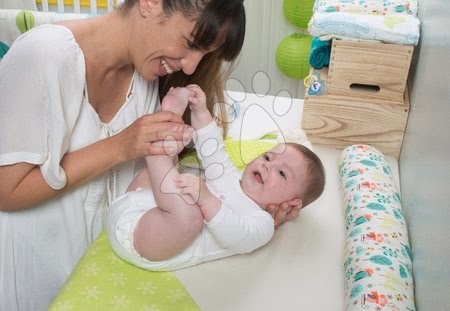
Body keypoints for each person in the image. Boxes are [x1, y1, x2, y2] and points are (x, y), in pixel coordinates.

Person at [0, 1, 299, 309]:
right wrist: (120, 146)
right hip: (36, 268)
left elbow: (162, 189)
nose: (192, 66)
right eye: (191, 44)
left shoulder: (147, 78)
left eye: (204, 54)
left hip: (100, 269)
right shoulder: (45, 55)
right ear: (151, 3)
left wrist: (247, 218)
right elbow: (6, 190)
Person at [107, 85, 326, 271]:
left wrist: (207, 199)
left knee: (190, 214)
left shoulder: (262, 223)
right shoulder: (231, 177)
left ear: (292, 202)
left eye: (281, 173)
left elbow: (238, 236)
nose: (267, 166)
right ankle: (168, 124)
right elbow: (213, 149)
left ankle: (160, 151)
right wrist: (200, 111)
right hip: (135, 204)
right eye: (267, 157)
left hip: (147, 242)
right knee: (174, 178)